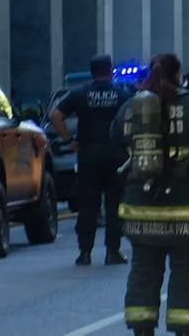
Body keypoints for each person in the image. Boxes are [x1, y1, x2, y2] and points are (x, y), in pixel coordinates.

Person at [115, 54, 189, 336]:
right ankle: (184, 330)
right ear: (178, 75)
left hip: (141, 208)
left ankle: (142, 329)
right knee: (187, 272)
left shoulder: (131, 107)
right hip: (186, 208)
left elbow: (115, 135)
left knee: (143, 272)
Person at [51, 54, 133, 265]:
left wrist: (69, 140)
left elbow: (55, 116)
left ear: (92, 71)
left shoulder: (80, 94)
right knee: (115, 204)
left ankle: (85, 252)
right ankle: (112, 252)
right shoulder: (122, 94)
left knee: (88, 203)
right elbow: (133, 118)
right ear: (110, 70)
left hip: (88, 155)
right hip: (116, 155)